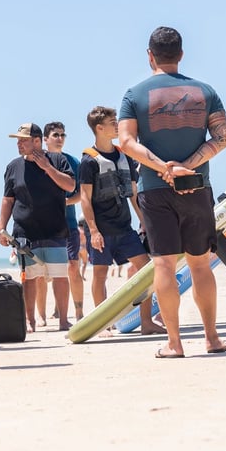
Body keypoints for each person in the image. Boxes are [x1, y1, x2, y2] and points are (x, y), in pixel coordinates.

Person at [118, 26, 226, 358]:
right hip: (196, 186)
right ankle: (211, 338)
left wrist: (164, 168)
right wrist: (186, 165)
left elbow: (126, 142)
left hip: (155, 189)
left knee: (164, 266)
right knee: (200, 265)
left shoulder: (134, 95)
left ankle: (174, 343)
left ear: (150, 55)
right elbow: (222, 138)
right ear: (181, 54)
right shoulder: (205, 92)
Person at [79, 106, 164, 335]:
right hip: (101, 230)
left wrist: (144, 222)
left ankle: (146, 322)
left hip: (125, 228)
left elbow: (133, 194)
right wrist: (93, 231)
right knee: (100, 274)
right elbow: (85, 198)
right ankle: (103, 325)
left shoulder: (125, 157)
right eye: (112, 123)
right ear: (99, 128)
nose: (117, 126)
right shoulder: (88, 161)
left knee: (146, 270)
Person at [0, 123, 76, 332]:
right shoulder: (13, 166)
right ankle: (29, 321)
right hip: (25, 232)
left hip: (55, 230)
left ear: (37, 141)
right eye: (18, 140)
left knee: (60, 276)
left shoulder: (58, 160)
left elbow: (70, 186)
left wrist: (48, 168)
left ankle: (63, 321)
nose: (19, 144)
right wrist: (2, 228)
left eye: (23, 140)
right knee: (30, 278)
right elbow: (7, 200)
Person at [38, 121, 85, 322]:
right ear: (45, 139)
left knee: (72, 266)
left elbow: (82, 193)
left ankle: (79, 313)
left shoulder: (73, 162)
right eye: (55, 135)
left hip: (68, 224)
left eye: (62, 135)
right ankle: (41, 316)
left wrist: (63, 202)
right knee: (41, 271)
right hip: (42, 226)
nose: (60, 138)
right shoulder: (35, 161)